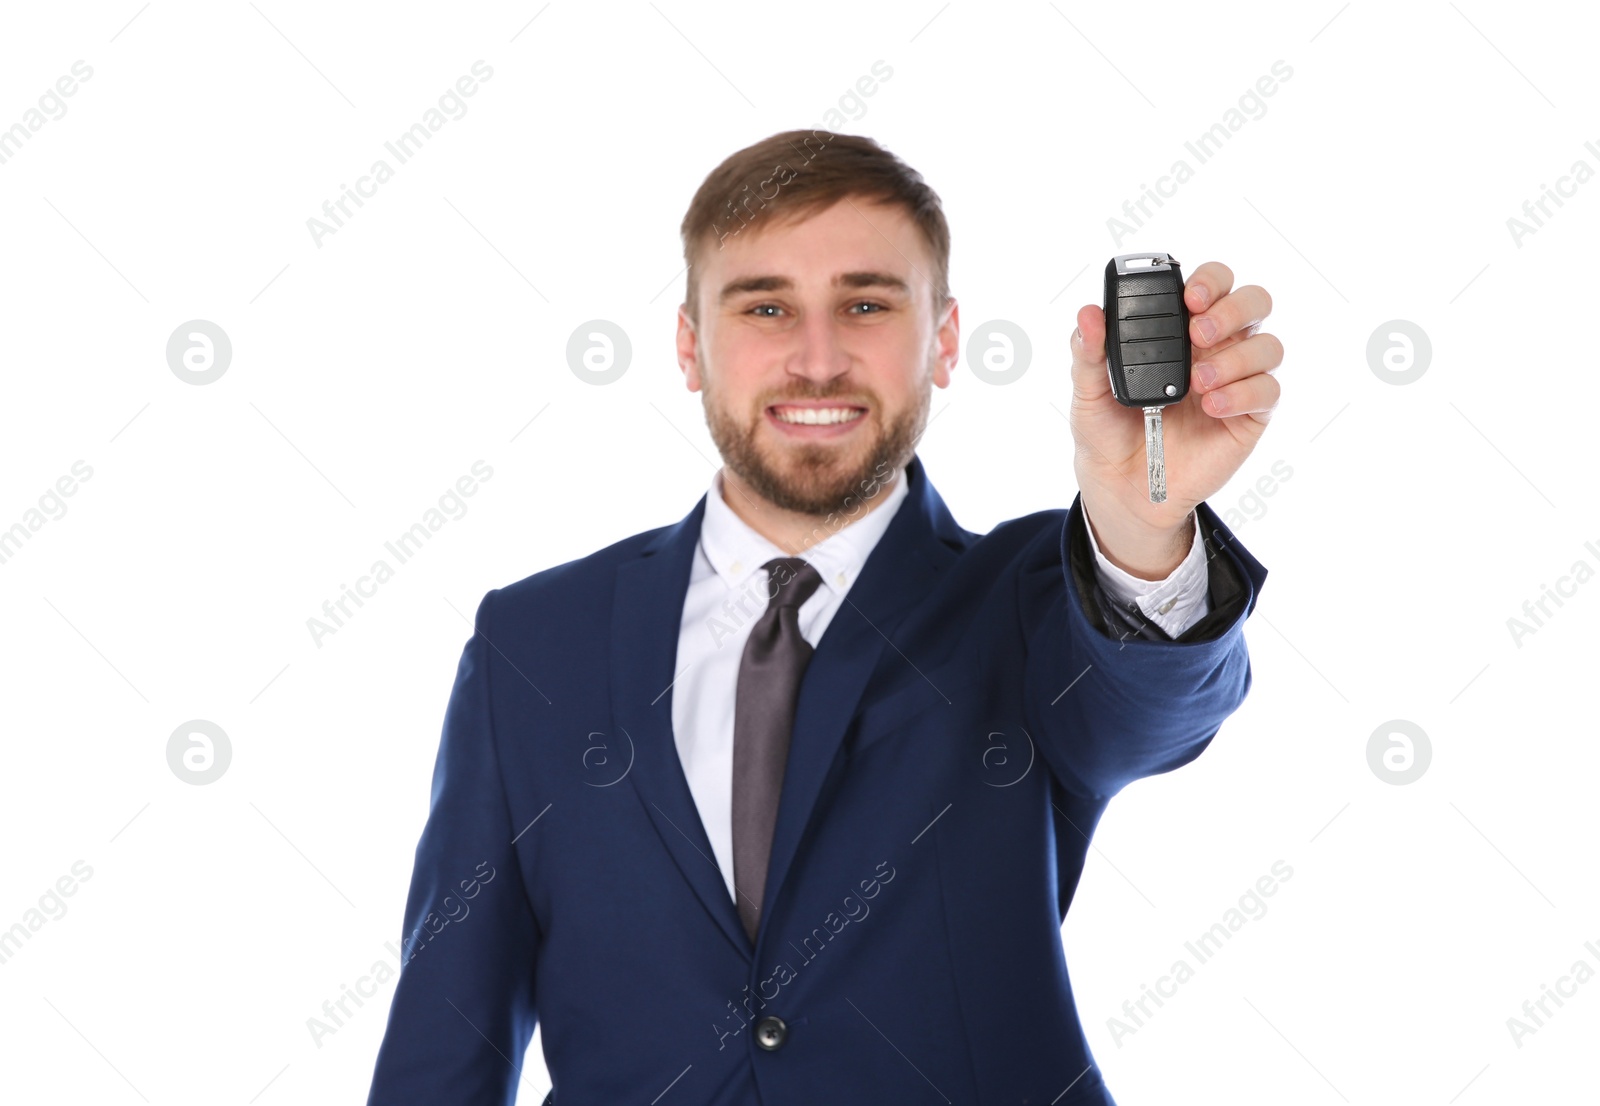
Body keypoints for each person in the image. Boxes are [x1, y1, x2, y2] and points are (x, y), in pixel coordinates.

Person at [366, 129, 1278, 1106]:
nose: (816, 358)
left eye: (865, 303)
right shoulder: (536, 639)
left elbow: (1148, 709)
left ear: (943, 337)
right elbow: (445, 1030)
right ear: (689, 344)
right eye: (765, 305)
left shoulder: (1027, 599)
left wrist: (1142, 521)